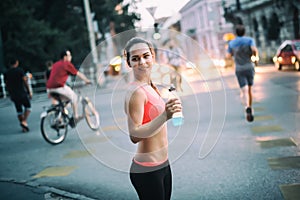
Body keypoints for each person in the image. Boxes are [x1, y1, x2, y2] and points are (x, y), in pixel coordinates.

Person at [123, 37, 182, 200]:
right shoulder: (136, 92)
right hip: (147, 170)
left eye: (145, 56)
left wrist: (170, 109)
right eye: (135, 58)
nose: (142, 62)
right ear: (128, 62)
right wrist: (164, 116)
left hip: (163, 164)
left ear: (152, 56)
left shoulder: (150, 86)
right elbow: (134, 135)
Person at [46, 50, 91, 122]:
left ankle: (60, 117)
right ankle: (75, 117)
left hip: (49, 89)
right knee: (74, 98)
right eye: (69, 55)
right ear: (65, 57)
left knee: (65, 101)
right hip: (58, 87)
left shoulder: (55, 64)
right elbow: (78, 73)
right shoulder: (67, 64)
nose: (71, 57)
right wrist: (86, 80)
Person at [227, 24, 258, 122]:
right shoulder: (249, 40)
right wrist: (255, 59)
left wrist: (234, 56)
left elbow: (228, 56)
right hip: (249, 66)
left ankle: (246, 108)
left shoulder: (231, 43)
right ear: (244, 32)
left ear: (236, 33)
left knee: (243, 90)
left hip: (239, 68)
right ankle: (250, 106)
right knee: (249, 89)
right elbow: (254, 50)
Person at [4, 58, 32, 132]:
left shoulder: (7, 72)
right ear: (16, 63)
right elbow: (25, 81)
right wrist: (29, 91)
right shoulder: (20, 70)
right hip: (21, 92)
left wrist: (9, 93)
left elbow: (6, 84)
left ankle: (23, 126)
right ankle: (24, 121)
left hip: (13, 93)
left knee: (19, 110)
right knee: (28, 107)